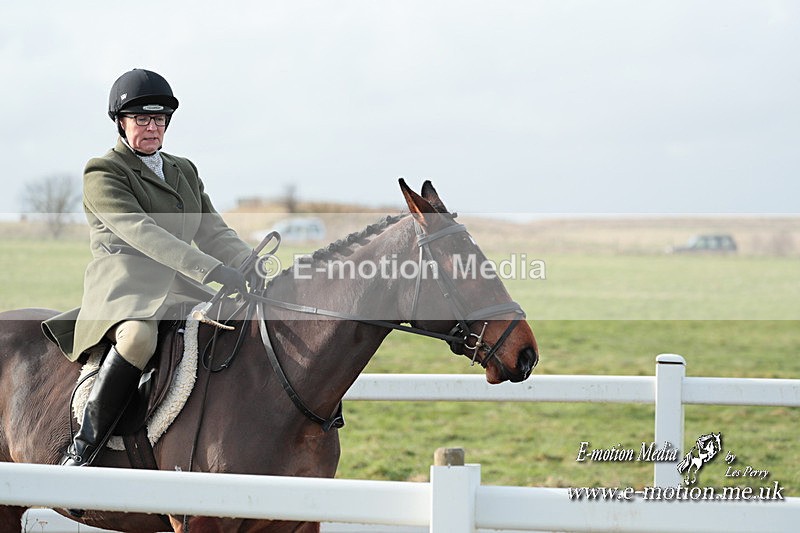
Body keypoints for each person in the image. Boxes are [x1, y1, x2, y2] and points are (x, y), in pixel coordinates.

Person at [43, 68, 252, 468]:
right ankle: (84, 449)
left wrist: (248, 263)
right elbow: (145, 234)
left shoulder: (184, 170)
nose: (152, 127)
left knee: (242, 328)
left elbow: (213, 230)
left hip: (179, 289)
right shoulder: (103, 172)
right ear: (121, 123)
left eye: (159, 119)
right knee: (139, 339)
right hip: (125, 289)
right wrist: (211, 271)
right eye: (142, 119)